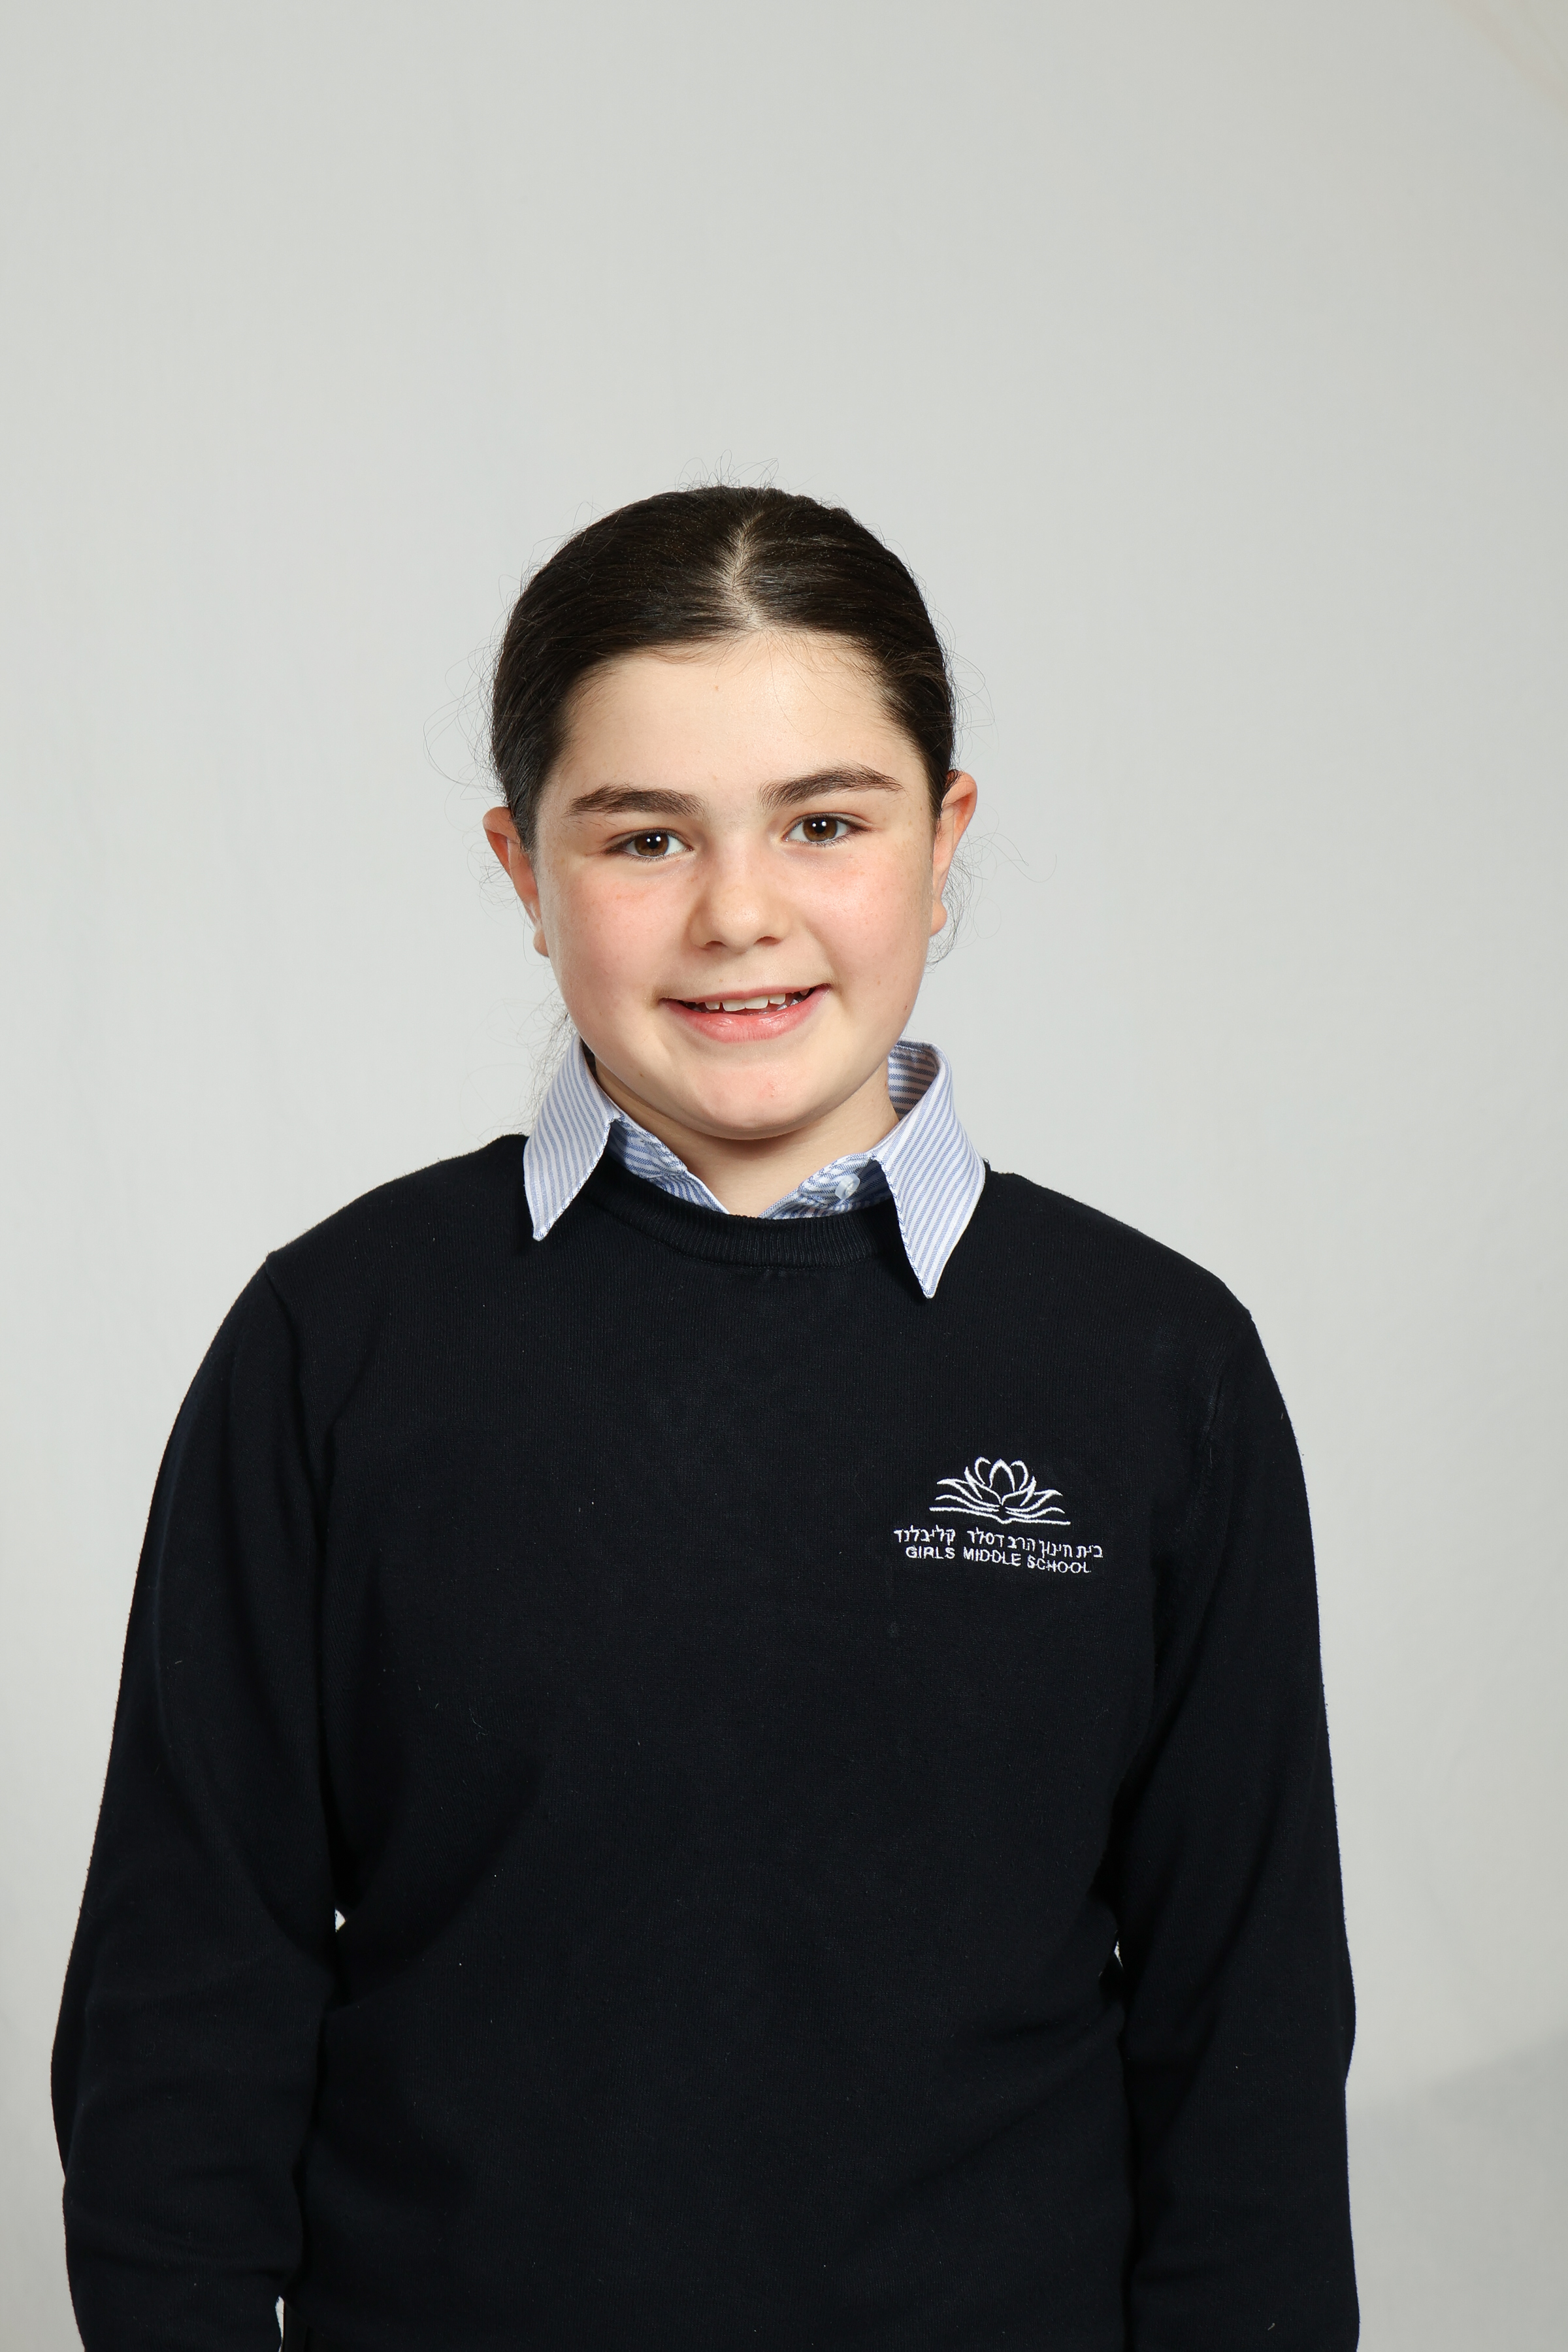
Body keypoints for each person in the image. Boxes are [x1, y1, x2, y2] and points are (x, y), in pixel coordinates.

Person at [53, 486, 1358, 2351]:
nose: (740, 913)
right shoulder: (334, 1344)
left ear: (943, 839)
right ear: (523, 870)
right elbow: (184, 2007)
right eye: (645, 836)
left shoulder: (1158, 1366)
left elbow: (1248, 2035)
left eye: (825, 821)